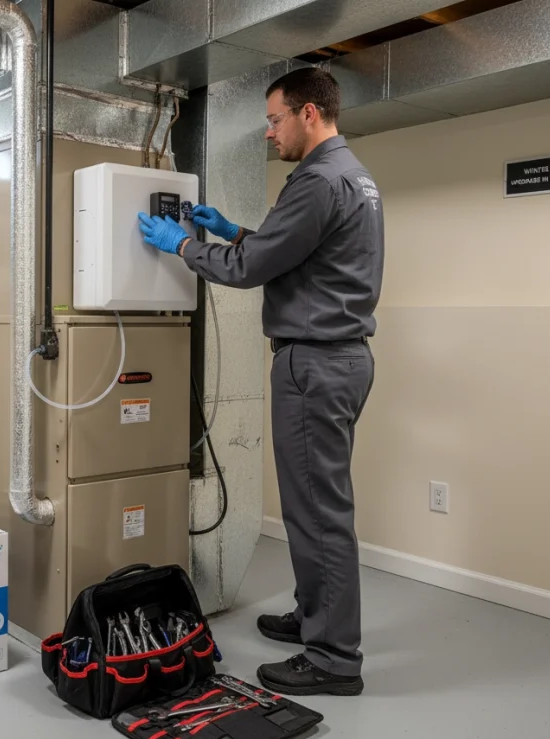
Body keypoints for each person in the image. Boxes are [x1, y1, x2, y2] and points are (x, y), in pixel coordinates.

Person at [137, 67, 384, 697]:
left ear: (308, 114)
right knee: (311, 506)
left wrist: (182, 247)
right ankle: (313, 616)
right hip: (338, 358)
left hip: (316, 362)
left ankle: (333, 658)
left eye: (274, 120)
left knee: (320, 512)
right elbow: (288, 252)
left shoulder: (316, 179)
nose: (269, 133)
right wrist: (225, 229)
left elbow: (252, 268)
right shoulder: (352, 175)